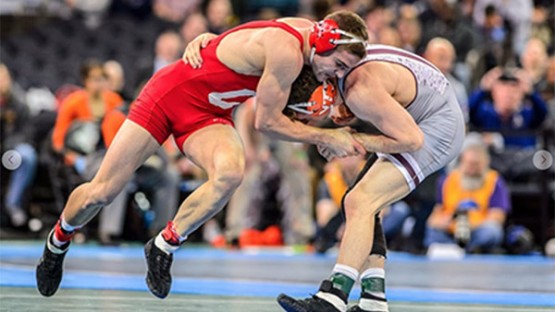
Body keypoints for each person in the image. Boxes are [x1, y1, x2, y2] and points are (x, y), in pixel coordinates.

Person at [35, 11, 369, 299]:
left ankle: (164, 245)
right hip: (168, 96)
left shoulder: (309, 35)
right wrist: (326, 136)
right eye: (338, 65)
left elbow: (241, 40)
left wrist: (211, 39)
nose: (336, 74)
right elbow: (266, 122)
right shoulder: (288, 52)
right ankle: (57, 241)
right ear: (323, 43)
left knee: (230, 174)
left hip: (209, 112)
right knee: (103, 191)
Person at [278, 43, 466, 311]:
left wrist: (352, 140)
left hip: (436, 128)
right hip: (425, 115)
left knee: (360, 201)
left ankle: (334, 297)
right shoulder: (339, 66)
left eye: (308, 117)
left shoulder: (359, 91)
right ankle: (373, 300)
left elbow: (412, 141)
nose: (313, 125)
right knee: (361, 202)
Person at [424, 138, 510, 253]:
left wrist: (470, 226)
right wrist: (440, 222)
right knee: (432, 230)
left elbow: (498, 217)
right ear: (462, 162)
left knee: (492, 232)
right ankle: (455, 249)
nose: (473, 169)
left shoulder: (494, 181)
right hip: (450, 229)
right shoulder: (447, 180)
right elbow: (437, 212)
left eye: (477, 165)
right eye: (470, 164)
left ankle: (469, 249)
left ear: (485, 163)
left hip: (477, 229)